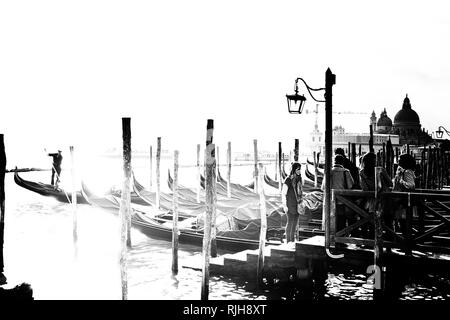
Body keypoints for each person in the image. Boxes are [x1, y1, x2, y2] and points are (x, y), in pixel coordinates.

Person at [359, 152, 393, 238]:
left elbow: (365, 189)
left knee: (370, 221)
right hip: (384, 199)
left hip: (371, 200)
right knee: (387, 221)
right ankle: (390, 240)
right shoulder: (381, 170)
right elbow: (390, 183)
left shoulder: (362, 173)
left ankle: (370, 239)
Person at [322, 154, 355, 234]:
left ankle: (332, 238)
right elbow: (351, 186)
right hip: (342, 202)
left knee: (331, 220)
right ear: (342, 162)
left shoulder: (329, 172)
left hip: (330, 201)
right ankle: (341, 237)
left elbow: (323, 187)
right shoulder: (346, 172)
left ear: (334, 161)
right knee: (341, 220)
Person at [392, 153, 416, 234]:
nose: (398, 161)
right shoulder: (404, 171)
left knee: (404, 222)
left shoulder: (407, 172)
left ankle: (406, 242)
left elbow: (411, 185)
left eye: (400, 159)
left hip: (404, 201)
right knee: (402, 222)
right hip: (402, 201)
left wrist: (400, 181)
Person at [282, 162, 304, 243]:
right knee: (290, 223)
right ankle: (288, 241)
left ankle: (292, 241)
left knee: (294, 224)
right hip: (290, 204)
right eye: (298, 169)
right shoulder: (288, 179)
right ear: (294, 169)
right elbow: (283, 193)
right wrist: (284, 205)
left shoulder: (299, 179)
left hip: (297, 204)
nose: (299, 171)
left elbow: (300, 192)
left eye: (300, 169)